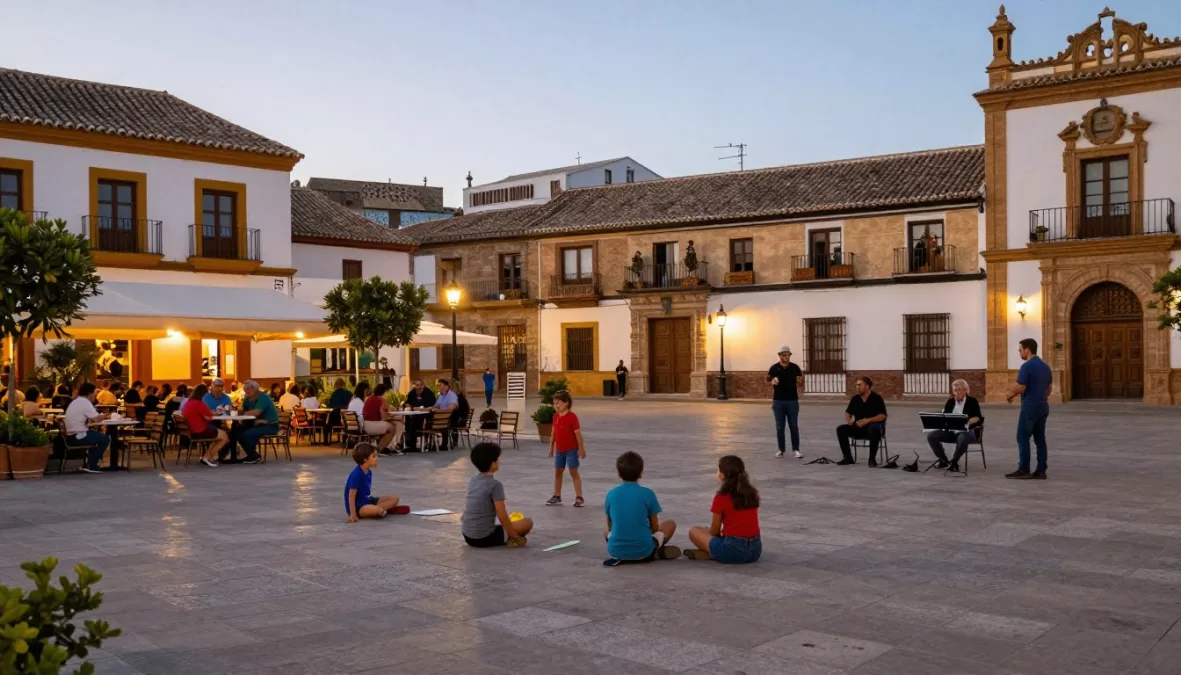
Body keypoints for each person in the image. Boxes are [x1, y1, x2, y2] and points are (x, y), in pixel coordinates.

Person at [603, 451, 679, 566]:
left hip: (615, 551)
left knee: (606, 532)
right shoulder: (648, 493)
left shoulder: (611, 494)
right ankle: (654, 552)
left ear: (618, 474)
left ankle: (625, 552)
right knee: (670, 524)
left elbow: (609, 524)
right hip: (644, 550)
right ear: (640, 473)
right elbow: (654, 526)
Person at [685, 455, 762, 564]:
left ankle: (712, 554)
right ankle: (712, 553)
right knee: (708, 532)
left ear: (722, 475)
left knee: (694, 531)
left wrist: (708, 534)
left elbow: (715, 531)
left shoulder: (721, 497)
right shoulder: (752, 493)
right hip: (755, 550)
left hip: (733, 549)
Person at [462, 442, 533, 547]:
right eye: (497, 459)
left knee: (509, 522)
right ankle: (510, 539)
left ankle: (506, 535)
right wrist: (516, 537)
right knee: (527, 523)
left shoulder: (474, 480)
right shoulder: (495, 485)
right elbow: (501, 515)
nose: (499, 461)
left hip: (467, 535)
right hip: (483, 538)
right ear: (493, 464)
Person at [1006, 338, 1052, 480]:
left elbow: (1021, 386)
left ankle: (1024, 469)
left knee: (1022, 437)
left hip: (1030, 406)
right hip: (1043, 405)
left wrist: (1010, 394)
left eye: (1020, 350)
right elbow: (1049, 389)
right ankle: (1041, 470)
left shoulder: (1027, 366)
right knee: (1040, 439)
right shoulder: (1045, 366)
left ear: (1027, 350)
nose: (1019, 352)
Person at [927, 379, 984, 473]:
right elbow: (945, 417)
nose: (957, 392)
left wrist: (967, 422)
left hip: (968, 431)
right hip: (951, 432)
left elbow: (977, 417)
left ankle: (954, 462)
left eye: (959, 390)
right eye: (955, 390)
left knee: (963, 436)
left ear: (965, 390)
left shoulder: (972, 401)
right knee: (931, 436)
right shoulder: (950, 402)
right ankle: (943, 460)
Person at [344, 442, 410, 523]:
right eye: (374, 456)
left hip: (368, 501)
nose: (376, 458)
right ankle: (383, 510)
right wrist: (353, 514)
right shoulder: (357, 474)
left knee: (395, 498)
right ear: (365, 459)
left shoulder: (368, 472)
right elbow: (351, 496)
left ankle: (381, 510)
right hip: (359, 508)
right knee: (378, 510)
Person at [835, 376, 888, 466]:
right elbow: (847, 413)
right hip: (858, 427)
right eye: (856, 385)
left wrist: (868, 420)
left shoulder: (877, 398)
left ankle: (872, 459)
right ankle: (848, 458)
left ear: (867, 386)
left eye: (860, 385)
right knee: (841, 429)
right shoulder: (855, 399)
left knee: (874, 428)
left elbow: (883, 415)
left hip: (872, 428)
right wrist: (850, 422)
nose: (857, 387)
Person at [546, 391, 585, 507]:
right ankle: (557, 496)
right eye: (554, 403)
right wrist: (551, 446)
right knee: (558, 471)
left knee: (573, 471)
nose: (556, 406)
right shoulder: (555, 417)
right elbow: (553, 432)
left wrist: (581, 448)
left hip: (571, 449)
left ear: (566, 403)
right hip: (560, 450)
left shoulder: (572, 417)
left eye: (558, 403)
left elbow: (578, 434)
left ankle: (579, 497)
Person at [767, 345, 804, 459]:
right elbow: (768, 379)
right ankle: (781, 450)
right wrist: (772, 381)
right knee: (780, 427)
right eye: (784, 355)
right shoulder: (774, 368)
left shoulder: (795, 367)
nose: (786, 357)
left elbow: (800, 382)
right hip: (778, 401)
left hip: (792, 401)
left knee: (793, 426)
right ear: (779, 356)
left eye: (788, 355)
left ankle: (796, 450)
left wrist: (800, 381)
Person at [64, 382, 110, 474]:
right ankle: (92, 465)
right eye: (95, 393)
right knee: (105, 439)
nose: (95, 396)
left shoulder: (76, 401)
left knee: (97, 437)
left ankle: (90, 463)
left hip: (70, 436)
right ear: (90, 393)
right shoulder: (85, 402)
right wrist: (109, 416)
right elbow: (96, 419)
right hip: (79, 436)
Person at [183, 384, 227, 467]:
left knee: (220, 436)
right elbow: (208, 417)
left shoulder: (189, 402)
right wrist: (217, 414)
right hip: (200, 430)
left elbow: (206, 414)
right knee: (225, 437)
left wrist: (212, 414)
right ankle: (206, 457)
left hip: (192, 431)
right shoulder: (199, 404)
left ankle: (207, 457)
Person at [236, 380, 277, 464]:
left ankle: (253, 456)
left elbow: (256, 412)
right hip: (256, 424)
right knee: (238, 432)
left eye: (248, 389)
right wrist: (240, 410)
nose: (246, 391)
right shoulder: (248, 398)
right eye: (244, 389)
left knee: (248, 434)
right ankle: (253, 455)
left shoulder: (263, 397)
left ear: (255, 389)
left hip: (270, 425)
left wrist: (242, 413)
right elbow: (243, 409)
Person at [362, 383, 402, 456]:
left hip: (365, 424)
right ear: (384, 392)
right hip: (374, 425)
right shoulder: (383, 400)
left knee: (394, 424)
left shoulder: (368, 399)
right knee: (392, 428)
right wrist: (395, 417)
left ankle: (388, 446)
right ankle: (380, 449)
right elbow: (384, 417)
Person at [403, 379, 436, 452]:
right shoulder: (412, 393)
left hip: (427, 416)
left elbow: (431, 405)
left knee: (413, 421)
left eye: (421, 385)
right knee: (408, 418)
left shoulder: (428, 393)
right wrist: (407, 404)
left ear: (423, 385)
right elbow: (407, 402)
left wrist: (419, 407)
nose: (419, 387)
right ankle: (409, 444)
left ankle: (412, 445)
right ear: (414, 386)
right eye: (417, 385)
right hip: (415, 414)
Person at [432, 378, 459, 451]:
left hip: (449, 419)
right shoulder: (441, 395)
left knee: (430, 422)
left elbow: (451, 408)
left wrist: (439, 410)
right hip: (440, 417)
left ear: (446, 387)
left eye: (440, 385)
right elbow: (436, 406)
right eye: (438, 385)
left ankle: (444, 444)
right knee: (425, 421)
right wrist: (428, 408)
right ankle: (430, 444)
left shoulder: (451, 395)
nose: (438, 387)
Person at [326, 378, 352, 444]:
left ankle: (327, 441)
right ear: (344, 384)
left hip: (335, 419)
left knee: (326, 419)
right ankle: (345, 440)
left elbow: (330, 406)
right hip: (346, 419)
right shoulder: (349, 393)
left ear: (335, 385)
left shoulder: (334, 394)